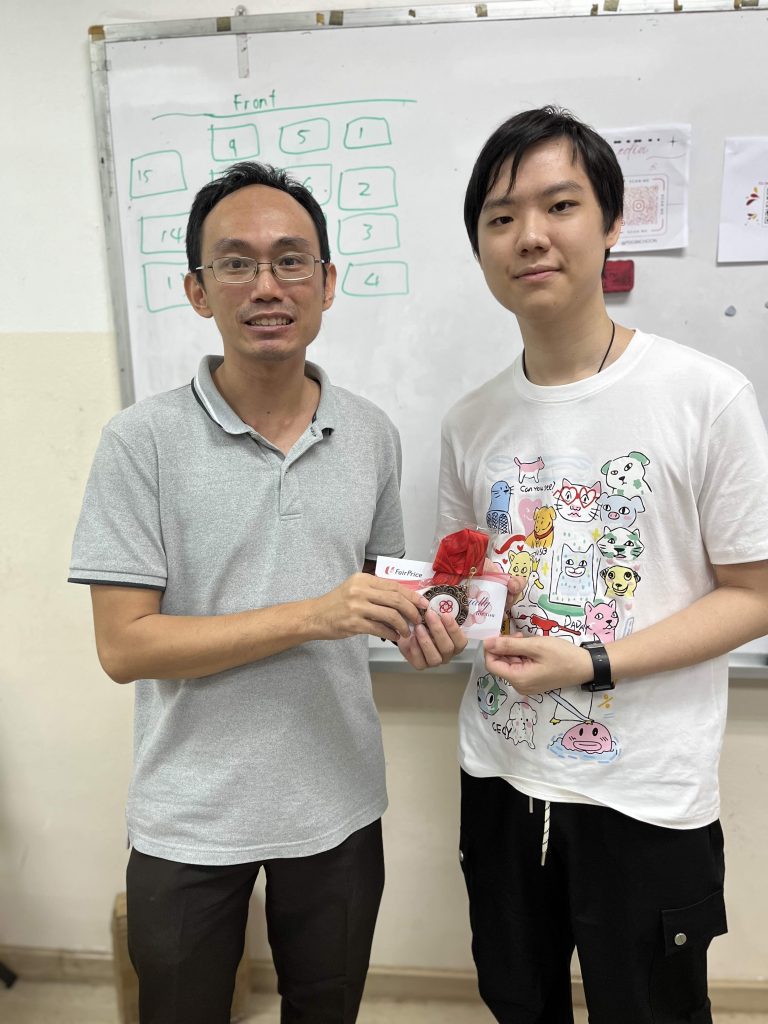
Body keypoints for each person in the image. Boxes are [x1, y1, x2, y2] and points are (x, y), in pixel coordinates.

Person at [68, 161, 433, 1024]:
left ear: (327, 282)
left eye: (291, 260)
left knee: (326, 1012)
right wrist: (313, 614)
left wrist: (427, 627)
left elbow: (378, 594)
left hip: (339, 800)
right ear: (198, 291)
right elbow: (125, 646)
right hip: (188, 813)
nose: (267, 286)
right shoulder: (140, 442)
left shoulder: (372, 434)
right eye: (236, 263)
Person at [436, 107, 768, 1023]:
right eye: (501, 217)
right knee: (517, 1001)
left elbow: (756, 594)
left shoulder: (705, 397)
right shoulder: (469, 422)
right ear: (480, 245)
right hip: (500, 777)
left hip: (645, 794)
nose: (530, 236)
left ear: (612, 223)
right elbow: (470, 592)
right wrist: (438, 624)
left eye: (560, 205)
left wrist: (592, 662)